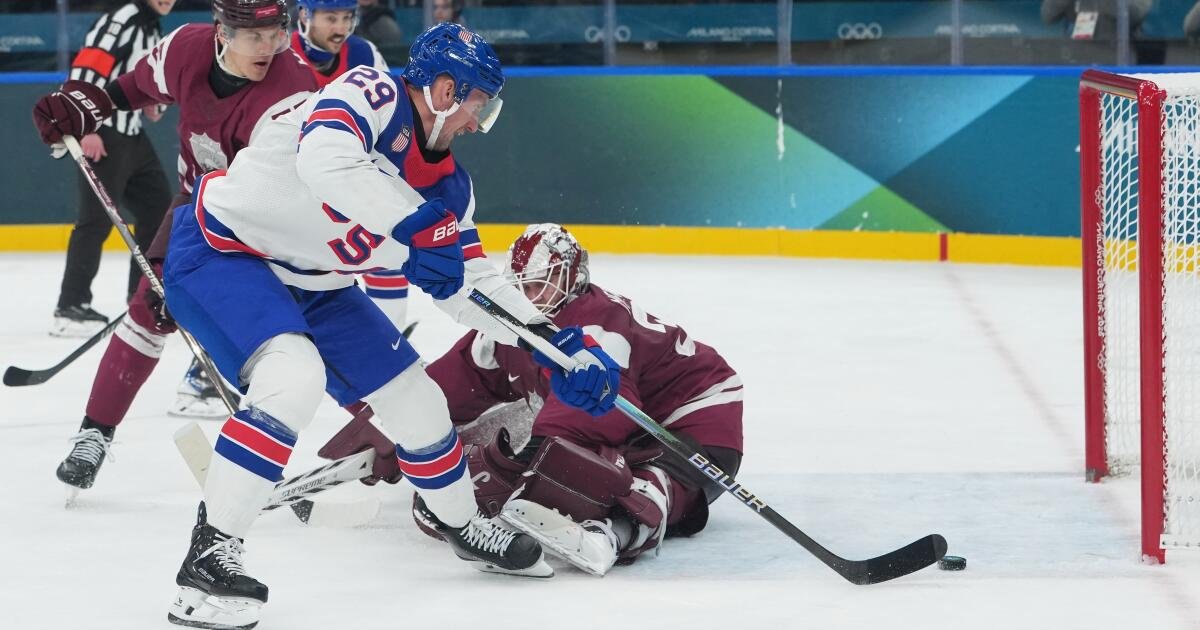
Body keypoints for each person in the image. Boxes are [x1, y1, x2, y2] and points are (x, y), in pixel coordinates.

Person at [154, 24, 620, 628]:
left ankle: (462, 525)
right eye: (480, 104)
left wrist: (553, 344)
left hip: (320, 285)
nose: (479, 124)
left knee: (418, 401)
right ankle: (208, 558)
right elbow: (326, 161)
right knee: (292, 376)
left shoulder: (452, 188)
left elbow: (470, 287)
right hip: (225, 253)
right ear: (445, 89)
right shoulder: (370, 92)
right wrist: (417, 224)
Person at [323, 223, 745, 576]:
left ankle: (613, 534)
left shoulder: (595, 324)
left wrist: (523, 465)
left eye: (545, 287)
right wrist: (391, 428)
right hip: (634, 427)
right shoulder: (510, 328)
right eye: (525, 288)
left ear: (573, 279)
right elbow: (448, 385)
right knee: (520, 434)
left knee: (649, 480)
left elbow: (601, 413)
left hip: (698, 419)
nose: (533, 299)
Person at [32, 0, 318, 495]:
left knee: (287, 338)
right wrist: (88, 107)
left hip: (272, 221)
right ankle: (93, 435)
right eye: (256, 36)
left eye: (277, 32)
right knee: (149, 308)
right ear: (221, 32)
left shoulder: (295, 89)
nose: (270, 47)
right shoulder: (186, 48)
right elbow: (131, 88)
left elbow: (286, 193)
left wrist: (196, 276)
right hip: (197, 204)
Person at [51, 0, 176, 338]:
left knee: (158, 212)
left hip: (132, 135)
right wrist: (84, 127)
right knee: (95, 220)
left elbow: (143, 79)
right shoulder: (124, 18)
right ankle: (70, 306)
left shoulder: (151, 25)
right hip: (103, 133)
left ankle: (142, 298)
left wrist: (152, 104)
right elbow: (86, 69)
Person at [292, 0, 410, 325]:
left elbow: (392, 119)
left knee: (389, 252)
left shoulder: (364, 54)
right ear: (304, 15)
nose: (341, 28)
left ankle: (389, 349)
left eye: (347, 18)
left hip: (348, 183)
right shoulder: (280, 57)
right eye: (331, 18)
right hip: (291, 192)